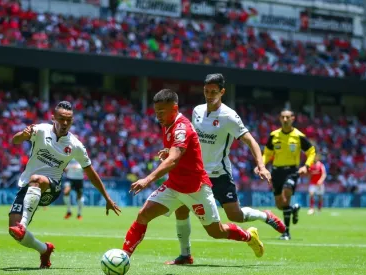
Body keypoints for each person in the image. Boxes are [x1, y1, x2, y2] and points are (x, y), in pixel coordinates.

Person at [121, 89, 264, 259]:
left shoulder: (182, 128)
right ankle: (124, 256)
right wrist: (169, 151)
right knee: (143, 215)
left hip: (195, 189)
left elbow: (174, 160)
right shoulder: (168, 124)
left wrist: (148, 179)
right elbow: (179, 154)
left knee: (216, 232)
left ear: (174, 109)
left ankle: (249, 236)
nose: (157, 116)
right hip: (174, 185)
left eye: (161, 111)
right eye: (156, 111)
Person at [164, 73, 285, 265]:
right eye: (206, 91)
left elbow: (250, 140)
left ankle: (264, 216)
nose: (209, 95)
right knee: (181, 210)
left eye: (214, 92)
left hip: (219, 175)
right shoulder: (197, 111)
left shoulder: (229, 116)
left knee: (234, 215)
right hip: (195, 174)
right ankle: (185, 255)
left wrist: (261, 165)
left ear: (222, 92)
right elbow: (190, 141)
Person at [8, 101, 121, 268]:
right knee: (13, 230)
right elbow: (14, 140)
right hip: (27, 185)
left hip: (52, 187)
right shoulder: (40, 130)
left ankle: (23, 224)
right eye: (61, 119)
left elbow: (91, 173)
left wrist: (107, 197)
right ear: (53, 118)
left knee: (37, 180)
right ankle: (44, 249)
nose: (65, 123)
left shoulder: (75, 145)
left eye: (69, 120)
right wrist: (23, 136)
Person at [261, 109, 316, 240]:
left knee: (286, 197)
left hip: (292, 171)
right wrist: (261, 165)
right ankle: (293, 209)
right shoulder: (274, 135)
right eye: (283, 117)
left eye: (288, 117)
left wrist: (307, 166)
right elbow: (267, 153)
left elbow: (311, 151)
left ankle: (286, 233)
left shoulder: (298, 136)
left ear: (293, 118)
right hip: (276, 172)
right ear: (280, 119)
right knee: (280, 205)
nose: (285, 120)